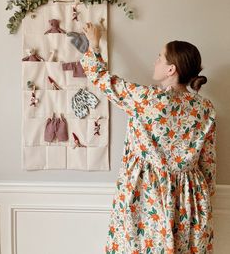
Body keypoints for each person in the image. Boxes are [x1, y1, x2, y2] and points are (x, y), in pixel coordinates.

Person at [80, 23, 217, 254]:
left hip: (147, 194)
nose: (155, 62)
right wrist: (202, 196)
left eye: (159, 58)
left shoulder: (146, 99)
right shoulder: (205, 108)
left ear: (171, 69)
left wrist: (94, 44)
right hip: (190, 197)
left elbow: (103, 80)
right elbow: (208, 164)